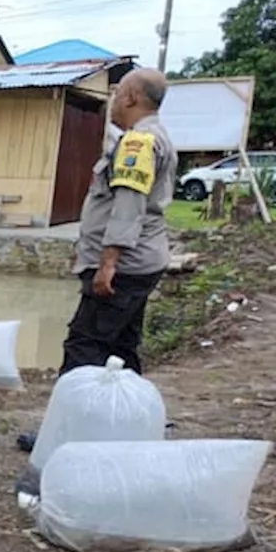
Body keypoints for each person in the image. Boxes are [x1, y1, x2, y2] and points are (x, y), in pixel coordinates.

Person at [15, 68, 179, 456]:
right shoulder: (158, 136)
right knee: (122, 346)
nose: (113, 101)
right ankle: (136, 427)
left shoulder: (138, 142)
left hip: (125, 264)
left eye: (118, 92)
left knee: (84, 347)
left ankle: (61, 437)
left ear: (132, 98)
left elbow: (127, 207)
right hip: (143, 261)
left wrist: (108, 263)